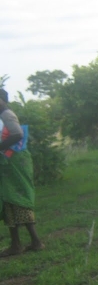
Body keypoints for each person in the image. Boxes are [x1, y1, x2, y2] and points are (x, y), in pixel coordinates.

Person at [0, 89, 44, 256]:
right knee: (9, 200)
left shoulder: (6, 115)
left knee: (18, 199)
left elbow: (17, 134)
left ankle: (31, 242)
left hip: (14, 162)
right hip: (9, 163)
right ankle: (18, 244)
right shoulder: (3, 116)